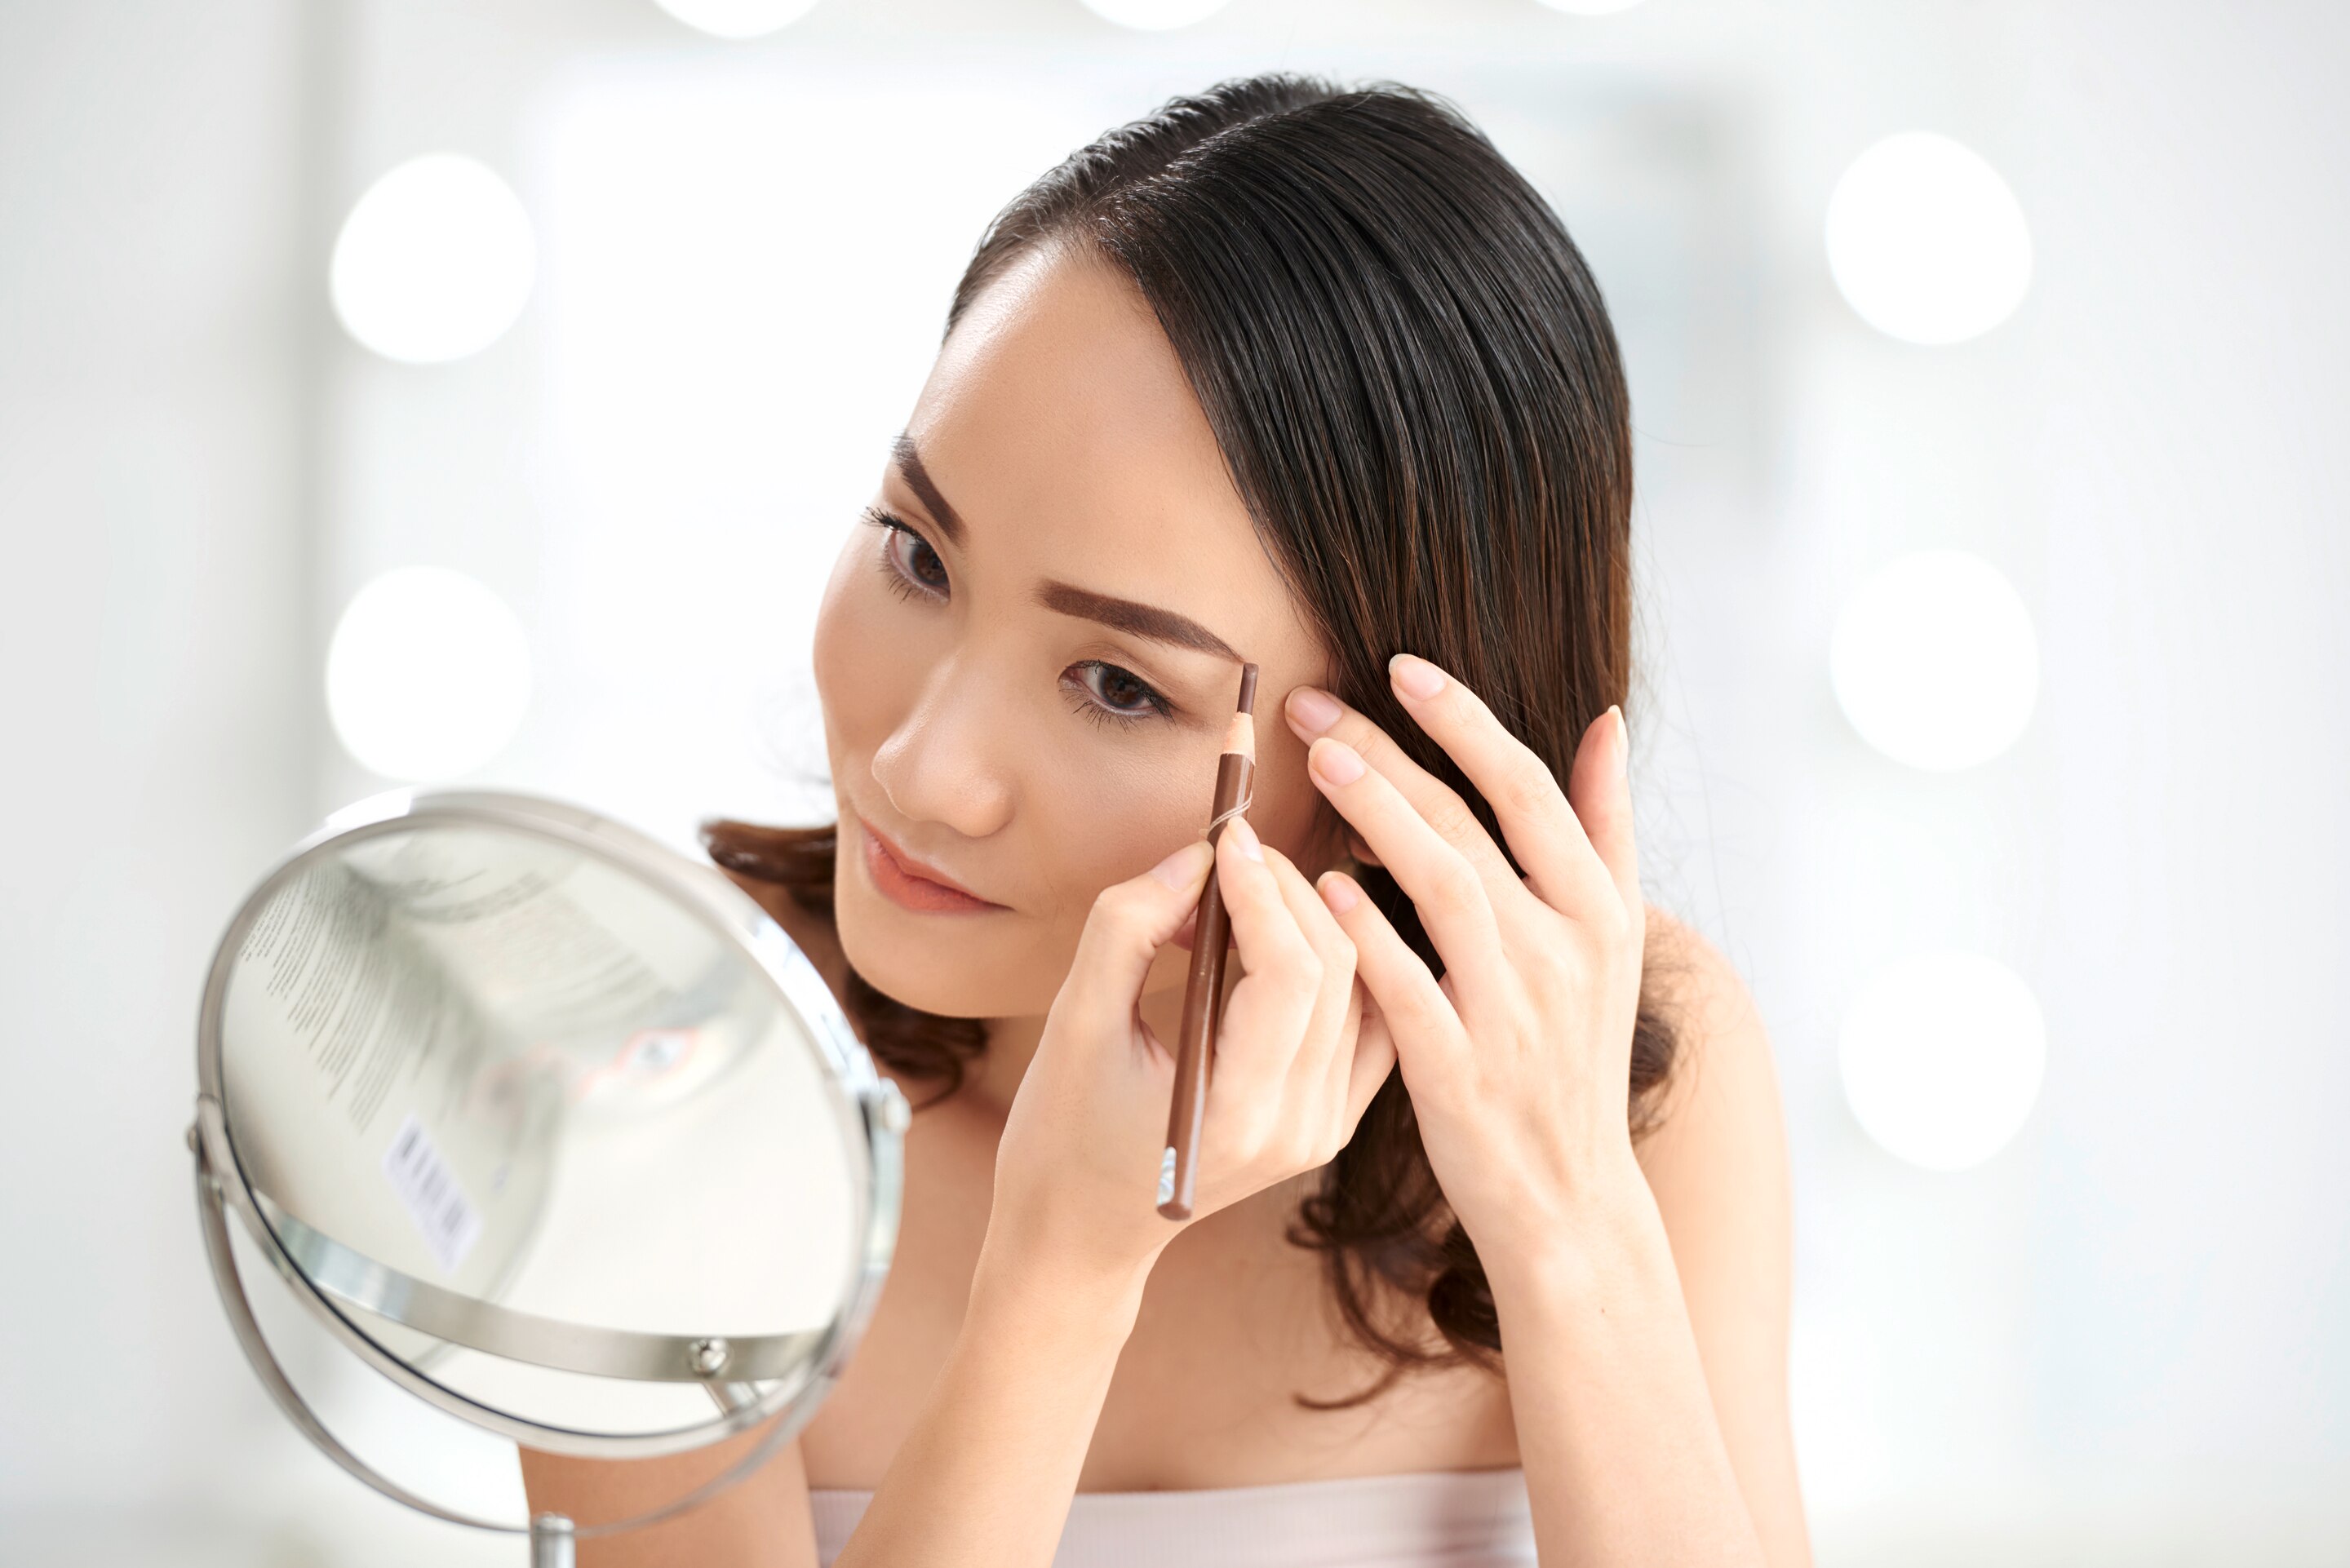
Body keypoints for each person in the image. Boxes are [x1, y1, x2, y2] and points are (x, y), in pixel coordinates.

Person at [524, 74, 1808, 1568]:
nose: (928, 767)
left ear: (1405, 768)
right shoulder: (661, 1091)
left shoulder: (1638, 1076)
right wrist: (1061, 1274)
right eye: (917, 553)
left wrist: (1564, 1208)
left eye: (1120, 685)